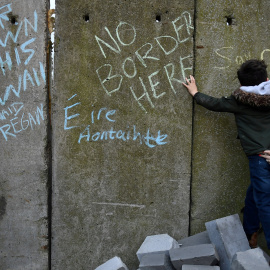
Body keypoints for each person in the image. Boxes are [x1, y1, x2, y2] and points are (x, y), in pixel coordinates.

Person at [182, 59, 270, 249]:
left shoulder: (239, 100)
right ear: (266, 79)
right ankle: (250, 234)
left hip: (260, 158)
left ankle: (257, 237)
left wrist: (195, 92)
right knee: (254, 196)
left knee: (265, 203)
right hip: (263, 158)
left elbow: (214, 104)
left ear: (241, 84)